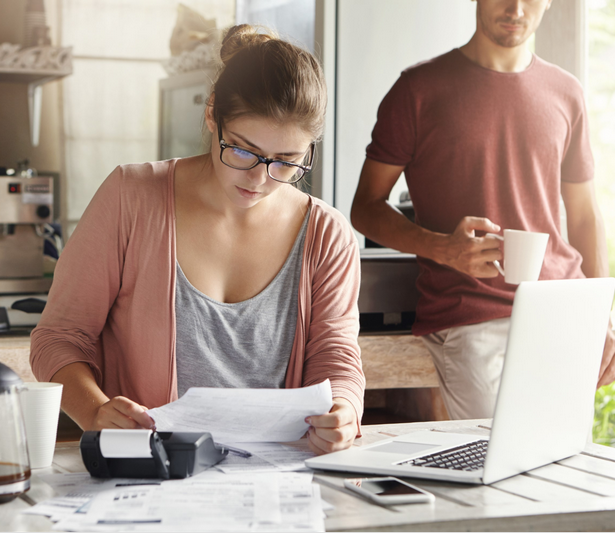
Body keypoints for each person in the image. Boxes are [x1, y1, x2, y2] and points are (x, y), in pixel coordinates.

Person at [30, 24, 365, 454]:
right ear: (212, 114)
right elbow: (58, 339)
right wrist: (96, 412)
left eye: (286, 162)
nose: (260, 179)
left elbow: (336, 355)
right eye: (243, 150)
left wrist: (344, 409)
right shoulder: (130, 198)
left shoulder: (327, 235)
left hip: (278, 481)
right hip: (151, 476)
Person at [350, 0, 615, 420]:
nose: (516, 7)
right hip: (472, 317)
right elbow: (365, 207)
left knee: (561, 467)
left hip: (562, 310)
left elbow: (585, 215)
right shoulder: (418, 89)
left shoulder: (567, 92)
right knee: (494, 468)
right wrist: (443, 248)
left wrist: (599, 317)